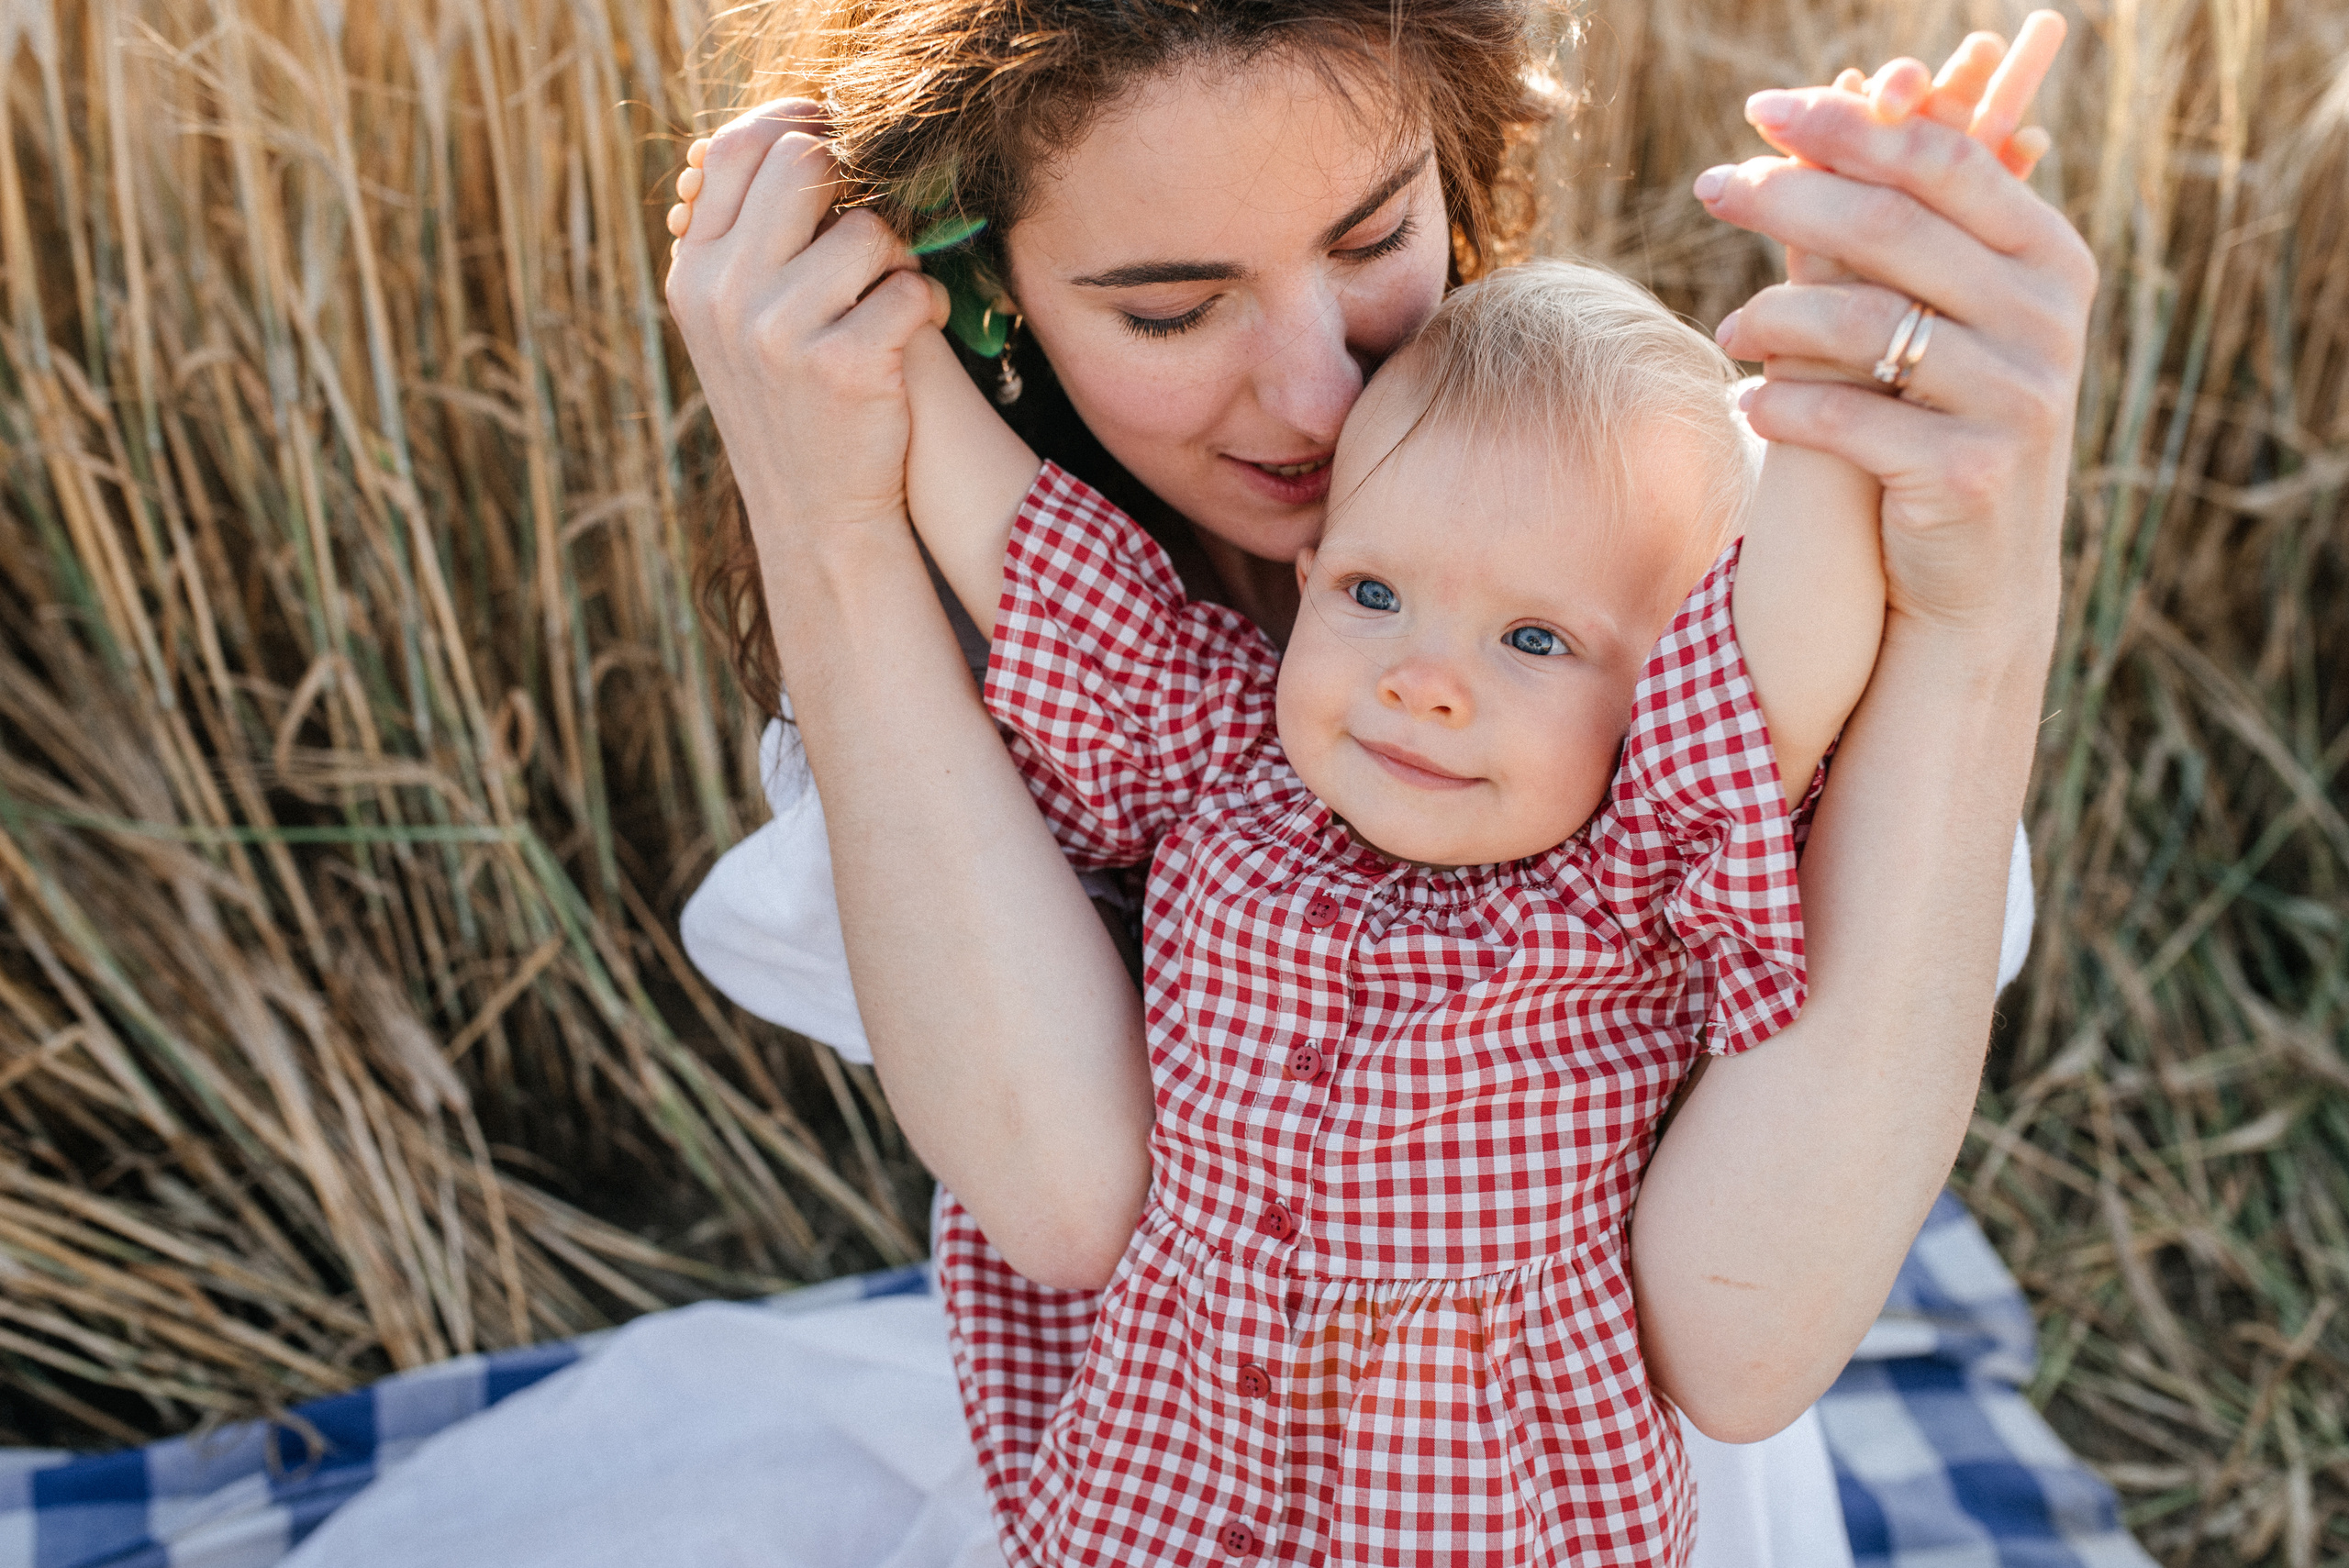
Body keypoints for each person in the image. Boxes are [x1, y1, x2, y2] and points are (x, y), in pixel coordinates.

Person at [663, 3, 2090, 1561]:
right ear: (981, 290)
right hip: (1166, 1486)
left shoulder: (1654, 572)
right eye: (1168, 311)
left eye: (1372, 238)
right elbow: (1067, 1201)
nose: (1323, 402)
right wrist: (831, 471)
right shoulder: (1199, 720)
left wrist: (1922, 511)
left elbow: (1763, 698)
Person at [883, 248, 1898, 1562]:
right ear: (1309, 579)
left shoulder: (1621, 877)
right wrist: (890, 328)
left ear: (1660, 695)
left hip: (1471, 1495)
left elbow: (1790, 657)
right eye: (1376, 592)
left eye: (1534, 638)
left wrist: (1832, 368)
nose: (1424, 680)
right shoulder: (1224, 761)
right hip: (1169, 1469)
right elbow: (1038, 564)